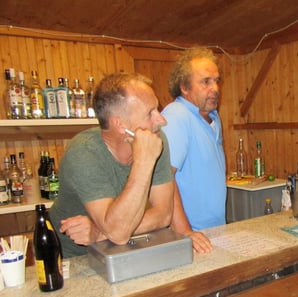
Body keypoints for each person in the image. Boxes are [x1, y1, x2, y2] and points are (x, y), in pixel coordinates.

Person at [50, 72, 174, 258]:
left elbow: (163, 215)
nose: (162, 120)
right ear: (120, 125)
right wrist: (144, 161)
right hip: (72, 256)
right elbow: (118, 232)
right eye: (150, 113)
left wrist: (100, 233)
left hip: (117, 248)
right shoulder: (83, 152)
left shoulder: (156, 138)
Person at [162, 48, 226, 252]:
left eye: (216, 81)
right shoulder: (176, 116)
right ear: (184, 87)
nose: (215, 88)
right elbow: (164, 178)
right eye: (205, 82)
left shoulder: (213, 117)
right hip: (191, 238)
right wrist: (185, 232)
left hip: (214, 232)